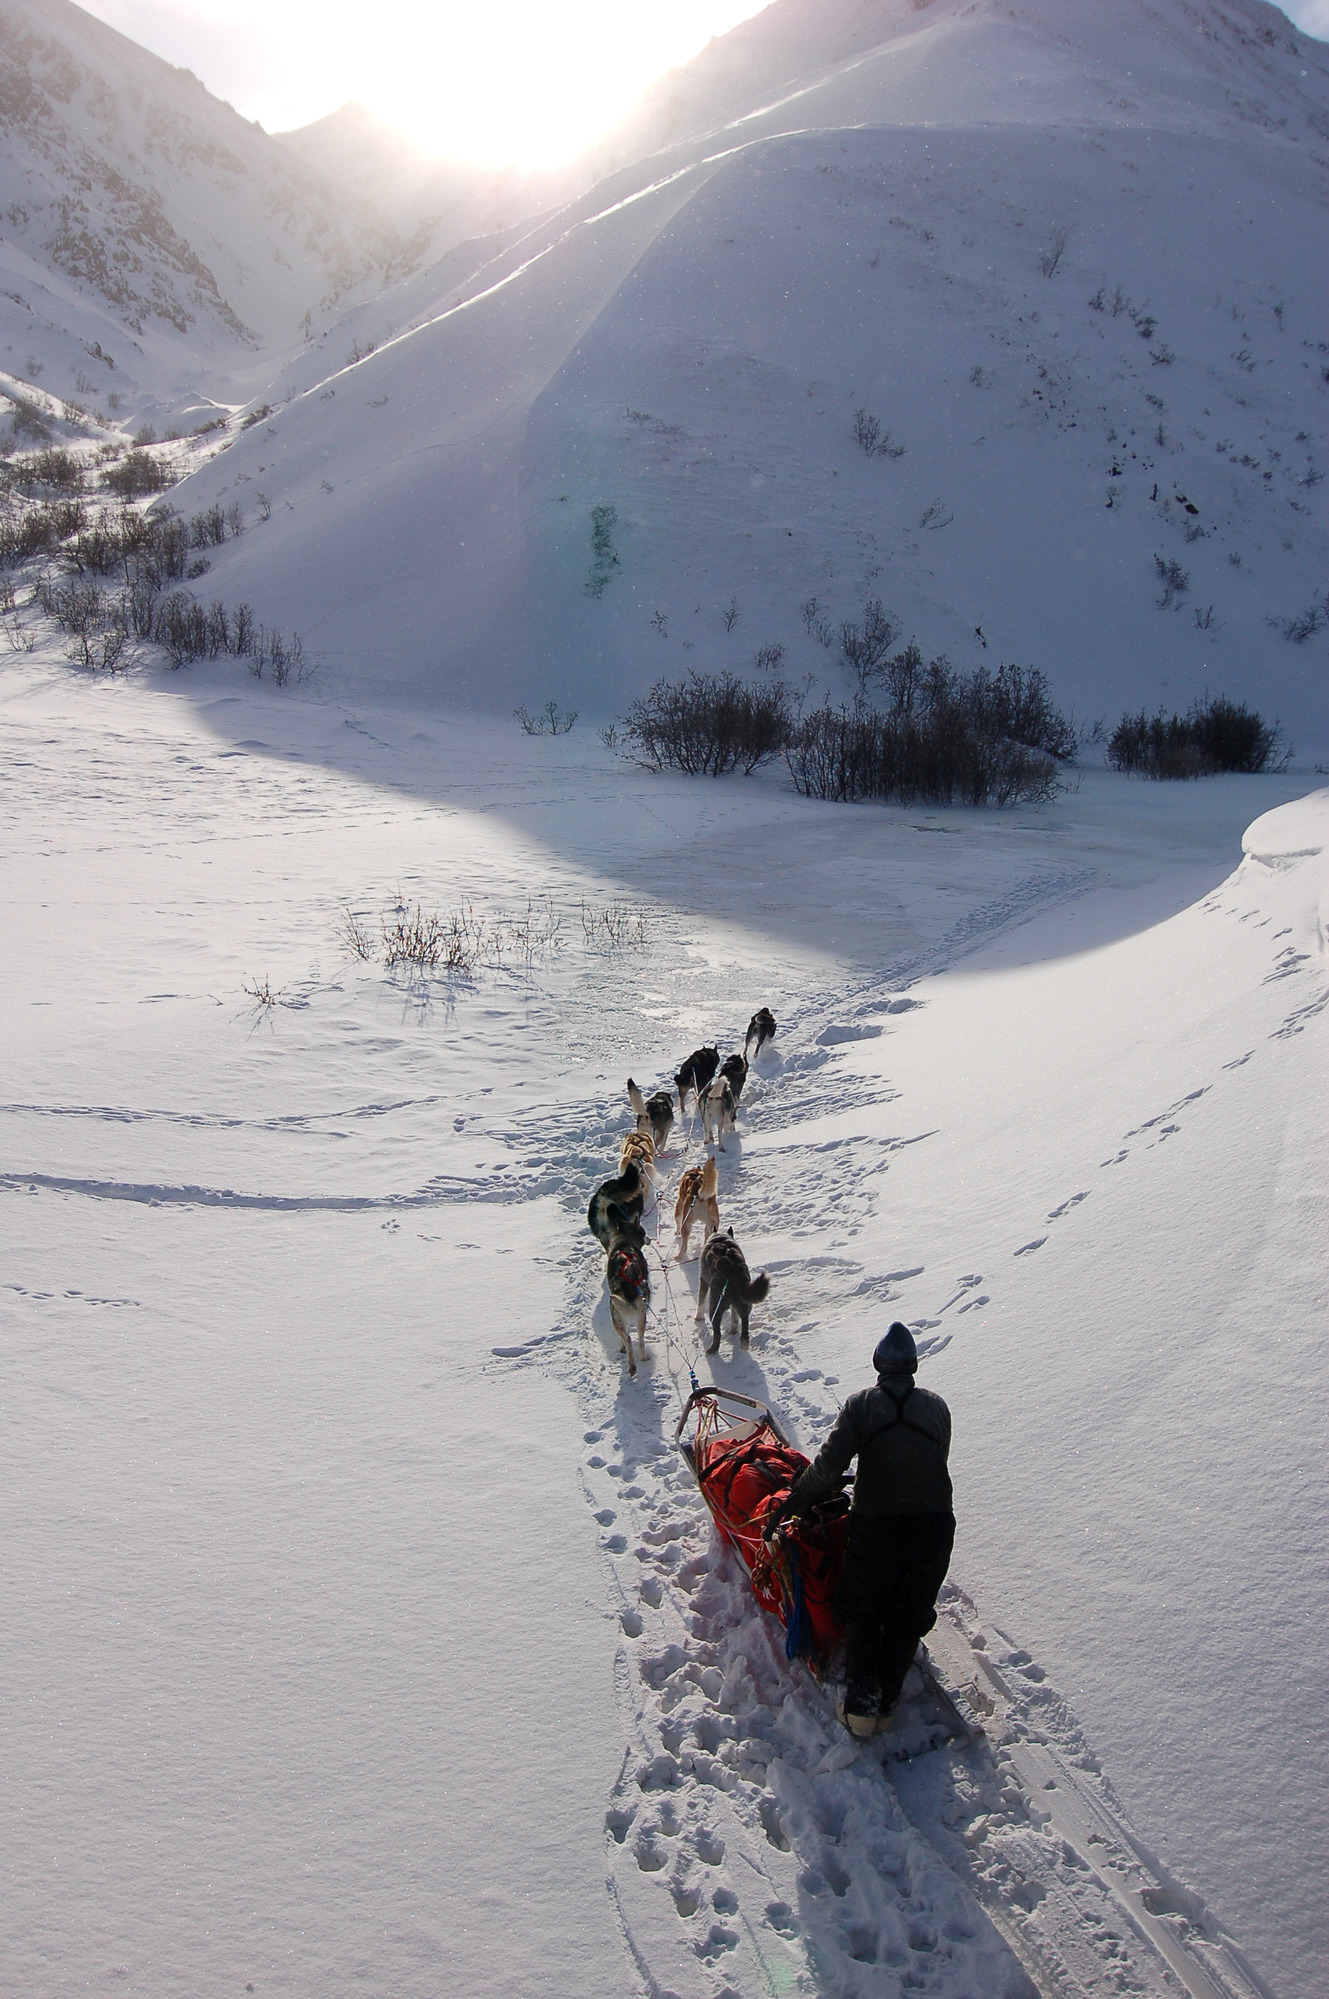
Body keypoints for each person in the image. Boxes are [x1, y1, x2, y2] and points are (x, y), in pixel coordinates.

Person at [771, 1321, 954, 1737]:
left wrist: (799, 1497)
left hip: (877, 1526)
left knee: (864, 1608)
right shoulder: (938, 1407)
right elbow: (934, 1459)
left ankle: (860, 1709)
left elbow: (829, 1467)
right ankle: (887, 1703)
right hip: (936, 1526)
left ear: (878, 1365)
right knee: (909, 1612)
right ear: (912, 1365)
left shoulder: (862, 1406)